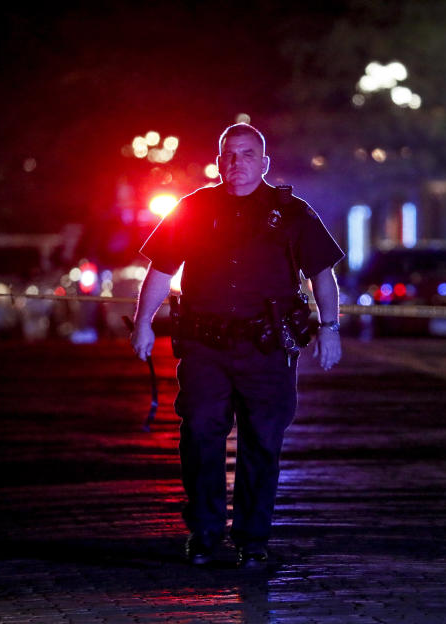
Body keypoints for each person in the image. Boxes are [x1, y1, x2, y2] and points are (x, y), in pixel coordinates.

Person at [129, 123, 344, 567]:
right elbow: (162, 270)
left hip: (266, 349)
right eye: (228, 154)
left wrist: (330, 328)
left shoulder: (292, 213)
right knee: (200, 435)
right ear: (218, 161)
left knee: (262, 441)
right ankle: (205, 532)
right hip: (205, 347)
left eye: (247, 155)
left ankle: (253, 538)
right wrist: (142, 324)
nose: (236, 163)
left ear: (264, 163)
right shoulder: (193, 208)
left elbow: (322, 273)